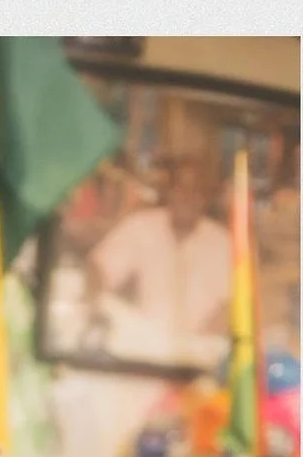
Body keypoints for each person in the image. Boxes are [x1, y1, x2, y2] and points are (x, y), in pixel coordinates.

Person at [90, 141, 233, 366]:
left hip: (201, 361)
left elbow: (232, 305)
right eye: (180, 188)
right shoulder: (141, 227)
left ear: (206, 197)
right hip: (145, 355)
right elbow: (99, 267)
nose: (187, 197)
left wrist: (199, 344)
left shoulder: (223, 243)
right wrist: (96, 301)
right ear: (168, 191)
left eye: (196, 190)